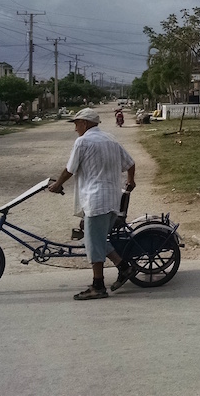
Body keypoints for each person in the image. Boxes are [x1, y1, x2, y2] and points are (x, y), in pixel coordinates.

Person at [47, 107, 137, 300]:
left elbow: (70, 169)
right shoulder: (110, 139)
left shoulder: (83, 141)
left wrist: (57, 184)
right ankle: (124, 267)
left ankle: (98, 285)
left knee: (93, 243)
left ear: (85, 123)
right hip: (113, 200)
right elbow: (130, 163)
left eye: (76, 124)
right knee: (95, 238)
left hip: (96, 200)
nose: (75, 129)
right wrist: (130, 180)